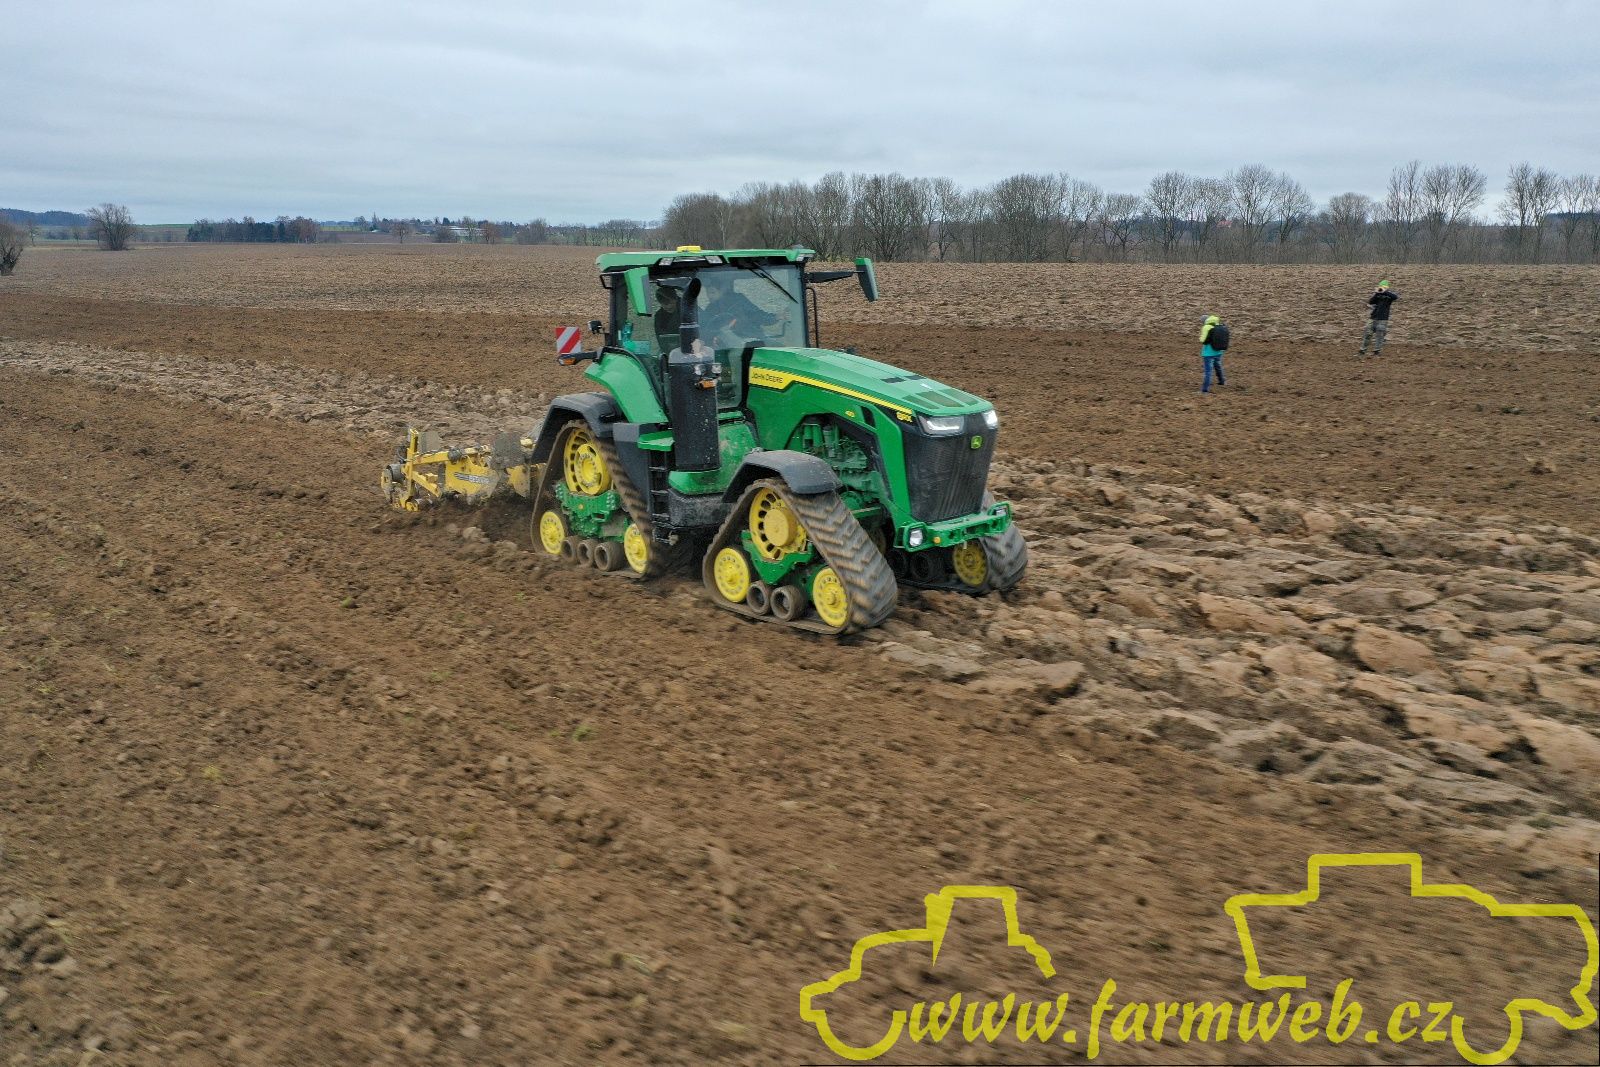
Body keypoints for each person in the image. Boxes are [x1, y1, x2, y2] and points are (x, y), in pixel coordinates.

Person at [1357, 279, 1399, 357]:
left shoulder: (1389, 296)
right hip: (1373, 317)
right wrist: (1377, 293)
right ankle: (1362, 351)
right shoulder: (1377, 295)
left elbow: (1395, 297)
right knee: (1367, 334)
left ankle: (1377, 352)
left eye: (1383, 287)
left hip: (1383, 319)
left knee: (1379, 336)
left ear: (1387, 288)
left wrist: (1385, 292)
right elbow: (1371, 301)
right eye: (1381, 287)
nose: (1381, 288)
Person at [1199, 314, 1229, 393]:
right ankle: (1222, 381)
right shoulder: (1218, 325)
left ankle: (1205, 390)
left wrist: (1201, 337)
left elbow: (1202, 340)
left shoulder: (1206, 327)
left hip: (1208, 353)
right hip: (1219, 351)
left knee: (1208, 371)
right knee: (1218, 366)